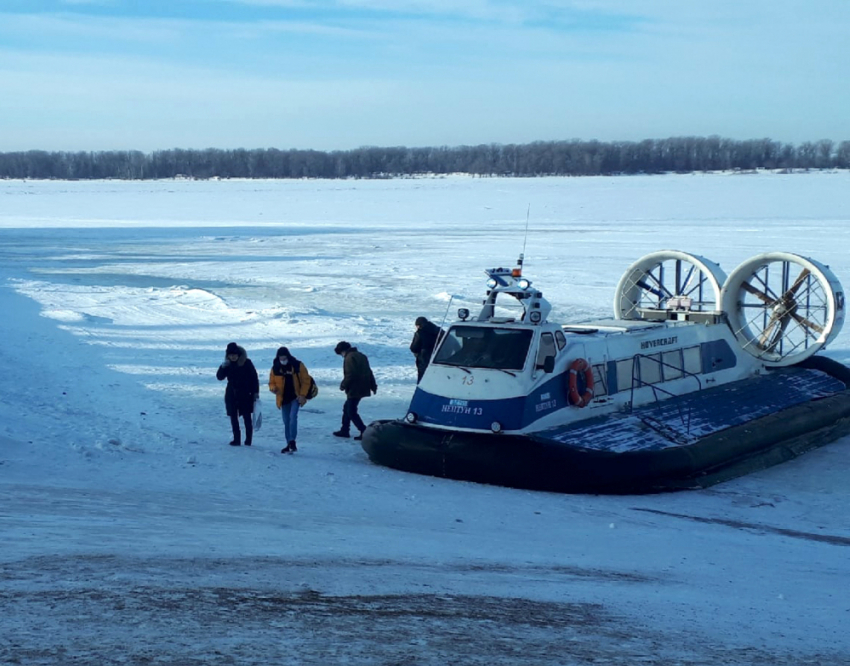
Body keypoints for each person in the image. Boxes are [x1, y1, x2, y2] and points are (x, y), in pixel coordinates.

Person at [268, 346, 311, 454]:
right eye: (281, 358)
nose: (282, 360)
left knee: (293, 418)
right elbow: (271, 382)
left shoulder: (297, 365)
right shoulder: (275, 368)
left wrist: (303, 395)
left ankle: (292, 441)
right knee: (286, 421)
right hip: (283, 398)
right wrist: (273, 388)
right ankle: (289, 443)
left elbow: (306, 381)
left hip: (295, 397)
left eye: (284, 358)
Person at [216, 342, 260, 447]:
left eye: (234, 355)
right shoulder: (227, 365)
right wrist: (222, 367)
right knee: (233, 417)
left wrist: (255, 392)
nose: (233, 357)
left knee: (246, 417)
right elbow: (219, 377)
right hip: (231, 394)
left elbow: (254, 378)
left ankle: (248, 440)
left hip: (245, 394)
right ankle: (236, 439)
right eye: (230, 355)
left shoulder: (247, 363)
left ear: (238, 354)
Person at [333, 341, 377, 441]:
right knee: (347, 407)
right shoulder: (361, 355)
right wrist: (373, 385)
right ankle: (344, 430)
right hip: (363, 386)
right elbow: (369, 371)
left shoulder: (349, 358)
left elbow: (350, 375)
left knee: (351, 411)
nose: (341, 356)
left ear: (343, 351)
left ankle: (363, 430)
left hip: (355, 388)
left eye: (340, 354)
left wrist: (343, 385)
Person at [409, 316, 443, 383]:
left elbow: (414, 348)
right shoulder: (439, 331)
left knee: (423, 380)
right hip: (439, 358)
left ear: (419, 325)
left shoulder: (420, 333)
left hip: (424, 359)